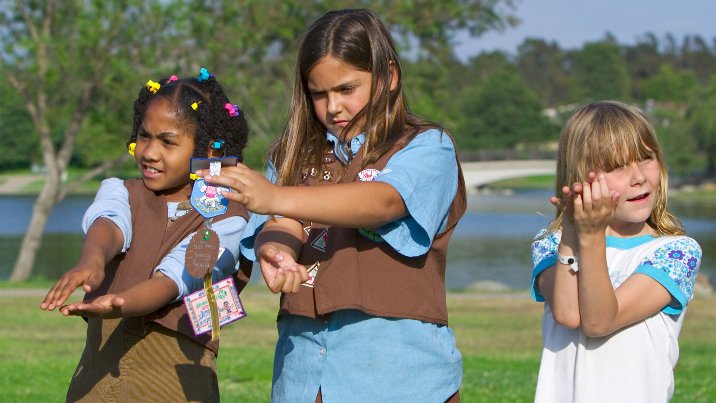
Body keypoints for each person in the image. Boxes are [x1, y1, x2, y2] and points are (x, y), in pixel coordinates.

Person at [200, 9, 465, 402]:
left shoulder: (427, 147)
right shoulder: (291, 155)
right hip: (304, 380)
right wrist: (276, 251)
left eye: (346, 89)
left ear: (389, 77)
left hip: (402, 381)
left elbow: (384, 201)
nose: (333, 107)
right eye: (318, 93)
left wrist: (275, 195)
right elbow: (283, 222)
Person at [40, 69, 250, 402]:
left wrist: (122, 303)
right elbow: (109, 224)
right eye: (144, 135)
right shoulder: (120, 191)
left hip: (173, 384)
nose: (149, 152)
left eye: (168, 142)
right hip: (95, 382)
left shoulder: (227, 218)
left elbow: (178, 276)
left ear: (209, 151)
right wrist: (92, 261)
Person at [530, 100, 702, 402]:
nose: (638, 177)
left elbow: (599, 322)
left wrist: (592, 235)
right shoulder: (550, 244)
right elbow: (569, 315)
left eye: (646, 158)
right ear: (579, 177)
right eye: (617, 167)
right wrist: (572, 229)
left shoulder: (676, 252)